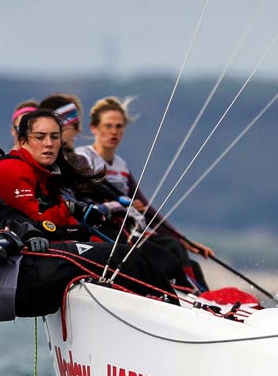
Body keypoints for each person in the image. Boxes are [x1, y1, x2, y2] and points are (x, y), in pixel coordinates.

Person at [0, 177, 181, 322]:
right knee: (119, 256)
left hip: (27, 278)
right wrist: (7, 241)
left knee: (121, 256)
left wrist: (17, 234)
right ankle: (174, 317)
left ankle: (162, 307)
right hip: (25, 284)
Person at [74, 96, 215, 261]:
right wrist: (122, 204)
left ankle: (196, 287)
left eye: (119, 126)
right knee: (170, 249)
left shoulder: (122, 166)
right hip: (102, 229)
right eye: (108, 126)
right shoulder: (82, 157)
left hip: (128, 227)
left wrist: (185, 240)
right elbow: (84, 195)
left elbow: (147, 210)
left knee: (176, 248)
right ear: (94, 128)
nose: (114, 132)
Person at [0, 108, 111, 240]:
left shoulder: (48, 173)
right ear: (23, 142)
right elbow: (35, 226)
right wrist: (70, 208)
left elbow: (68, 223)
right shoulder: (14, 168)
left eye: (54, 137)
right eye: (40, 137)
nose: (49, 144)